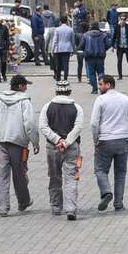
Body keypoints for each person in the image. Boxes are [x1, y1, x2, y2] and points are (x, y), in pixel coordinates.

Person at [0, 74, 40, 217]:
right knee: (19, 173)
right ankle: (23, 201)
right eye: (25, 85)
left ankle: (2, 207)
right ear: (20, 86)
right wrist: (35, 141)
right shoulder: (24, 101)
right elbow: (30, 124)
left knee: (2, 175)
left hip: (0, 142)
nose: (27, 87)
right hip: (18, 143)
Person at [90, 75, 128, 213]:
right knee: (120, 173)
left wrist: (95, 139)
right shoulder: (126, 99)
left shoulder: (100, 100)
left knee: (100, 170)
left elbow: (94, 123)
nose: (99, 87)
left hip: (105, 140)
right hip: (122, 140)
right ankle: (118, 203)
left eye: (100, 84)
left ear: (108, 85)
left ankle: (106, 192)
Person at [41, 80, 86, 221]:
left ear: (56, 92)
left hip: (53, 147)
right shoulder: (77, 108)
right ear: (69, 92)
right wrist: (66, 142)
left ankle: (56, 206)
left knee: (54, 176)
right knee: (71, 178)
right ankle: (71, 209)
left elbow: (43, 127)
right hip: (71, 147)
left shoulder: (47, 107)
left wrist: (57, 140)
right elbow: (78, 128)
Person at [80, 24, 110, 94]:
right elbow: (108, 45)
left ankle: (94, 89)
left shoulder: (86, 35)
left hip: (89, 57)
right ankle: (102, 85)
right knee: (101, 71)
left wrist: (84, 50)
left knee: (91, 73)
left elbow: (81, 46)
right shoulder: (103, 35)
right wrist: (103, 49)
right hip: (100, 57)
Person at [48, 19, 76, 84]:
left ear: (60, 22)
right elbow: (72, 40)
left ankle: (58, 78)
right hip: (67, 48)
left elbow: (55, 40)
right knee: (66, 64)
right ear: (67, 22)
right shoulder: (70, 29)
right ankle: (65, 78)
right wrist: (73, 49)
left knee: (58, 64)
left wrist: (52, 49)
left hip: (58, 48)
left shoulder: (57, 29)